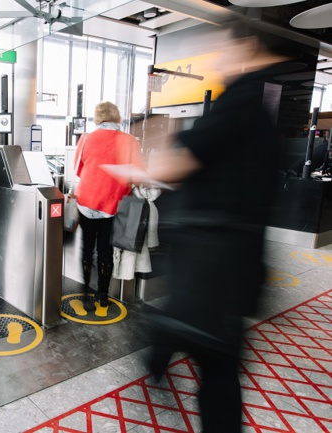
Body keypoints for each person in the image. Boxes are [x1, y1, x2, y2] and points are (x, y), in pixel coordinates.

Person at [143, 16, 290, 433]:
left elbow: (174, 166)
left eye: (224, 48)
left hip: (210, 263)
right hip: (235, 262)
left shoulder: (235, 104)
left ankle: (157, 358)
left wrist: (150, 147)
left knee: (216, 365)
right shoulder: (263, 116)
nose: (218, 58)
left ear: (247, 49)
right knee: (212, 353)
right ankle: (157, 357)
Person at [74, 101, 144, 308]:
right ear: (117, 116)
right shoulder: (130, 141)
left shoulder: (85, 138)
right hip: (112, 204)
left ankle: (86, 295)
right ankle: (102, 296)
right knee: (105, 250)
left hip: (86, 201)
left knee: (87, 248)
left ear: (98, 117)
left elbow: (78, 170)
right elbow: (138, 174)